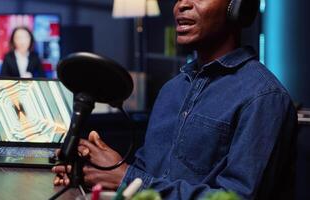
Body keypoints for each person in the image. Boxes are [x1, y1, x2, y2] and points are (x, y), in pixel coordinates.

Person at [52, 0, 298, 199]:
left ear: (237, 7)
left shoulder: (264, 97)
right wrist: (99, 171)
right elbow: (148, 173)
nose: (181, 5)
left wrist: (127, 178)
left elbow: (236, 197)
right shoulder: (172, 89)